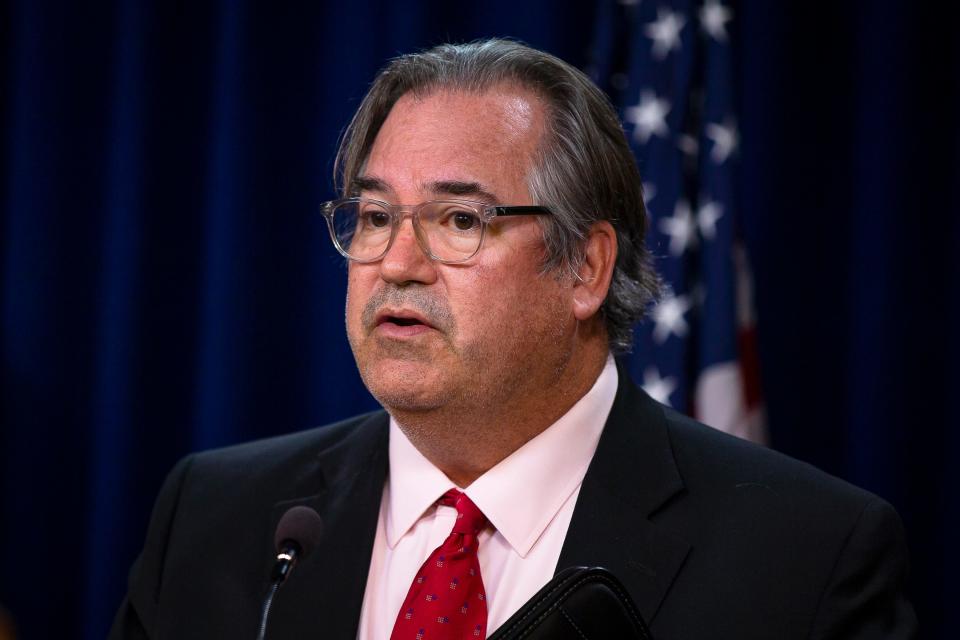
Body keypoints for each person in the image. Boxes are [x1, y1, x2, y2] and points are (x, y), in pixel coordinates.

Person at [110, 39, 917, 639]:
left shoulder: (804, 559)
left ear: (587, 268)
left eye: (461, 220)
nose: (397, 262)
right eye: (377, 216)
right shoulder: (217, 517)